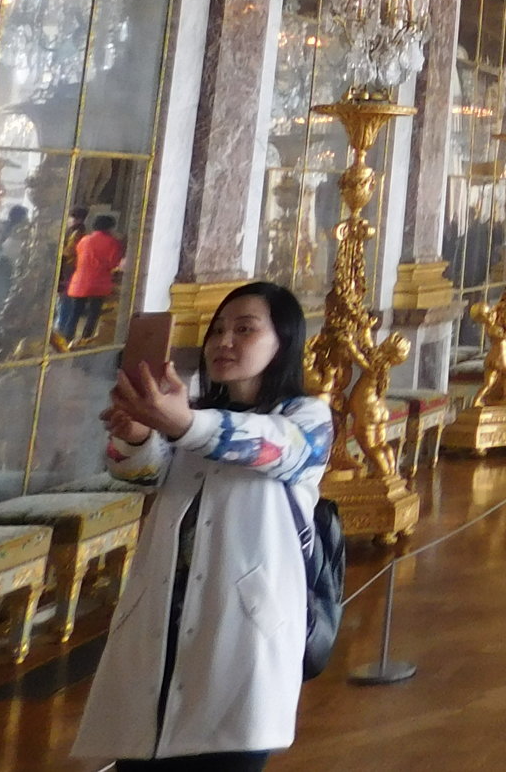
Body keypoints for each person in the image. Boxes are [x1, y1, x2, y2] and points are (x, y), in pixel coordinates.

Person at [74, 282, 334, 770]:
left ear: (284, 342)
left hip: (241, 625)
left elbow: (269, 446)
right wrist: (136, 437)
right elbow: (145, 473)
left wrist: (181, 422)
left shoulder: (307, 417)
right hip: (162, 616)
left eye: (245, 330)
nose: (224, 342)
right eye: (217, 330)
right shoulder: (195, 413)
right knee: (145, 748)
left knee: (223, 751)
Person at [55, 205, 123, 345]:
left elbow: (76, 256)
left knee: (75, 312)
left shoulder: (85, 240)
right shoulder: (113, 242)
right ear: (110, 228)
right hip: (99, 283)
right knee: (93, 314)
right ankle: (85, 340)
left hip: (79, 281)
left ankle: (67, 339)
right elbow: (113, 263)